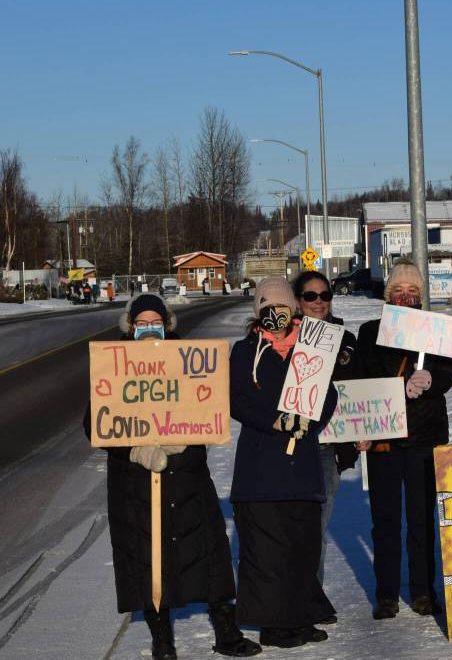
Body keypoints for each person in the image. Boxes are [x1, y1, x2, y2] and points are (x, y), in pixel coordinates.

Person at [85, 294, 260, 660]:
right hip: (136, 484)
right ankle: (162, 640)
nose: (149, 328)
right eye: (141, 322)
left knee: (208, 553)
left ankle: (226, 631)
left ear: (167, 323)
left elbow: (209, 408)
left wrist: (183, 438)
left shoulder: (191, 360)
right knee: (148, 560)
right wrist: (134, 450)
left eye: (156, 321)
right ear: (130, 326)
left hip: (187, 479)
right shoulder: (112, 364)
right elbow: (96, 423)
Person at [229, 277, 337, 648]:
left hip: (301, 464)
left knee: (302, 547)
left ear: (292, 308)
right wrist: (274, 419)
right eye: (267, 308)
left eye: (282, 307)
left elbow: (327, 393)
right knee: (267, 553)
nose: (275, 314)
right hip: (261, 470)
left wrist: (311, 420)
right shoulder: (245, 352)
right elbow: (237, 399)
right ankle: (275, 625)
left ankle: (300, 617)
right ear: (258, 312)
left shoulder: (312, 348)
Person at [348, 259, 452, 619]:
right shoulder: (369, 332)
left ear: (421, 296)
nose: (406, 297)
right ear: (388, 294)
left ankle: (424, 592)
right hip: (384, 437)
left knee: (422, 519)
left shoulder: (436, 331)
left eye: (413, 292)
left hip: (425, 437)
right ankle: (387, 594)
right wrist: (361, 428)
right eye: (399, 291)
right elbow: (362, 382)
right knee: (386, 519)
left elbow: (447, 372)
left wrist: (431, 380)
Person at [291, 270, 359, 590]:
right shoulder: (284, 338)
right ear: (297, 301)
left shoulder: (346, 339)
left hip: (328, 444)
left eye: (325, 296)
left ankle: (312, 595)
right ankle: (291, 597)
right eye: (310, 296)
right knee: (292, 525)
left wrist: (363, 426)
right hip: (291, 443)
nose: (318, 302)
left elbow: (356, 388)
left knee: (318, 525)